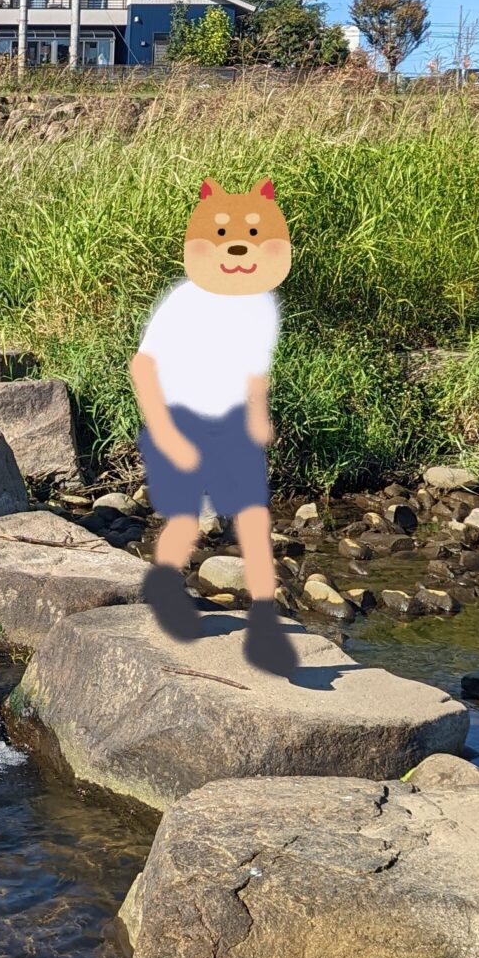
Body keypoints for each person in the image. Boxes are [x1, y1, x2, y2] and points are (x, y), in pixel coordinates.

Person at [128, 176, 298, 675]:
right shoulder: (184, 301)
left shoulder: (263, 303)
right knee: (184, 519)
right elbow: (142, 367)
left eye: (252, 235)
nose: (240, 247)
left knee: (253, 518)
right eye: (223, 235)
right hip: (178, 417)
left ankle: (264, 624)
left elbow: (254, 368)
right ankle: (165, 582)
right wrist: (165, 433)